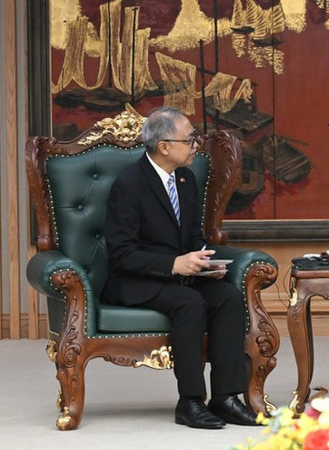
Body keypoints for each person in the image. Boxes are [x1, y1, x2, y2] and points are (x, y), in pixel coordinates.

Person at [102, 107, 259, 429]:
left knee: (227, 297)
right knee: (189, 303)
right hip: (136, 279)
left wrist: (204, 262)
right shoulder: (129, 184)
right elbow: (121, 254)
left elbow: (192, 237)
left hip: (181, 275)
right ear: (164, 146)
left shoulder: (185, 178)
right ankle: (190, 401)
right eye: (189, 140)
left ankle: (226, 398)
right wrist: (173, 264)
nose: (195, 145)